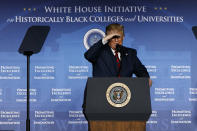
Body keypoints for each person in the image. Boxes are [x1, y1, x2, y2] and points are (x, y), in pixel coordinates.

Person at [84, 23, 152, 86]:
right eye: (113, 37)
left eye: (118, 37)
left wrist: (146, 78)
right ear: (107, 37)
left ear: (123, 37)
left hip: (124, 94)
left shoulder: (130, 53)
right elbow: (88, 55)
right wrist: (103, 40)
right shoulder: (99, 52)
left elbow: (140, 70)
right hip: (102, 93)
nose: (116, 40)